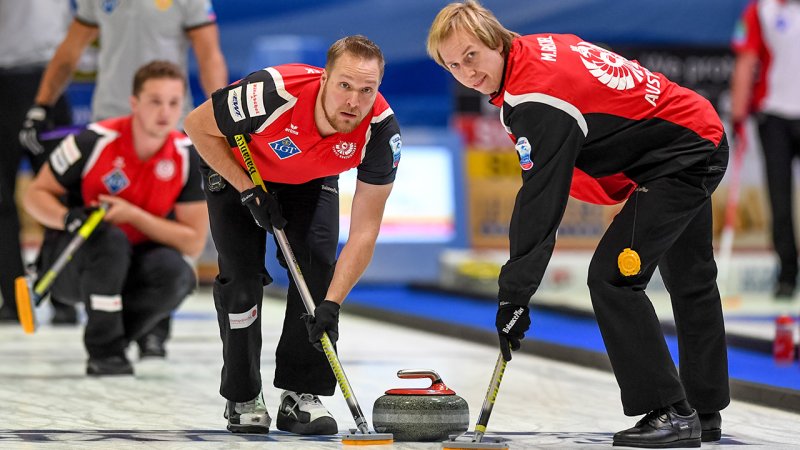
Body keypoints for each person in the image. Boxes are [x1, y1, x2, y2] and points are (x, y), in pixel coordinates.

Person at [427, 1, 729, 448]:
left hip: (682, 158)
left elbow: (540, 201)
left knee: (612, 278)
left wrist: (514, 295)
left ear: (495, 39)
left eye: (471, 55)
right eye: (452, 65)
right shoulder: (536, 50)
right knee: (691, 278)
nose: (466, 73)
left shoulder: (535, 97)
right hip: (694, 135)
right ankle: (703, 413)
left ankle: (669, 410)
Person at [184, 35, 401, 435]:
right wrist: (247, 188)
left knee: (319, 271)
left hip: (312, 177)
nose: (354, 101)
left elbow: (365, 231)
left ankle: (300, 395)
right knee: (242, 279)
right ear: (324, 80)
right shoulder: (270, 94)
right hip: (237, 166)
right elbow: (196, 126)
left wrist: (333, 303)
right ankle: (243, 395)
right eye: (345, 86)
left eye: (367, 90)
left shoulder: (380, 133)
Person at [18, 0, 228, 352]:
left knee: (164, 229)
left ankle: (152, 329)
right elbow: (71, 50)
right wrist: (42, 104)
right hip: (110, 119)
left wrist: (220, 115)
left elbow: (208, 54)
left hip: (168, 123)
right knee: (105, 231)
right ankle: (102, 328)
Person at [23, 61, 208, 376]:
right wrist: (68, 218)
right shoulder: (91, 142)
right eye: (155, 101)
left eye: (174, 103)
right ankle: (105, 353)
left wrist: (133, 215)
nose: (165, 112)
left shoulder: (188, 156)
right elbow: (34, 196)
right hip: (76, 264)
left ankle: (117, 340)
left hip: (136, 263)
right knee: (109, 239)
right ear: (134, 103)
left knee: (178, 274)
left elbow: (192, 242)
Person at [0, 0, 72, 324]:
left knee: (63, 194)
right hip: (30, 80)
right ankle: (28, 301)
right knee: (56, 193)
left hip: (49, 79)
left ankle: (62, 296)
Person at [731, 0, 800, 299]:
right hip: (773, 119)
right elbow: (746, 61)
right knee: (779, 200)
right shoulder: (761, 10)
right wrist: (737, 116)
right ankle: (787, 275)